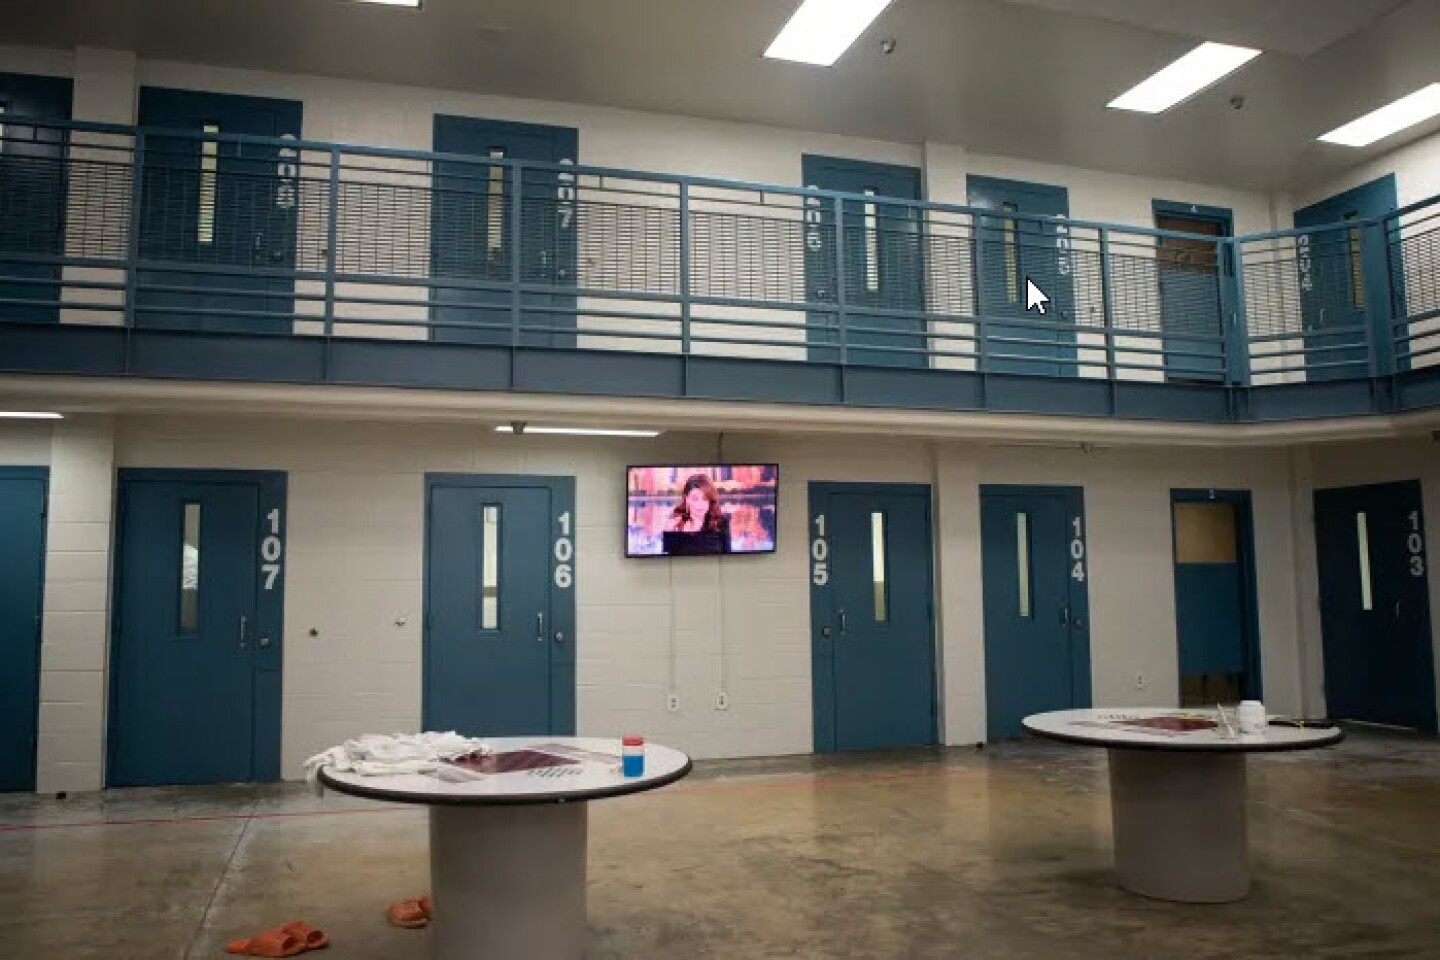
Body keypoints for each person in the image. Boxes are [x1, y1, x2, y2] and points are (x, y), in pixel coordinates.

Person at [663, 472, 731, 555]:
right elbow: (667, 561)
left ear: (710, 500)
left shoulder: (721, 522)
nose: (700, 505)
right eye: (695, 499)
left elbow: (728, 557)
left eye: (705, 499)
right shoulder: (674, 524)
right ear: (686, 499)